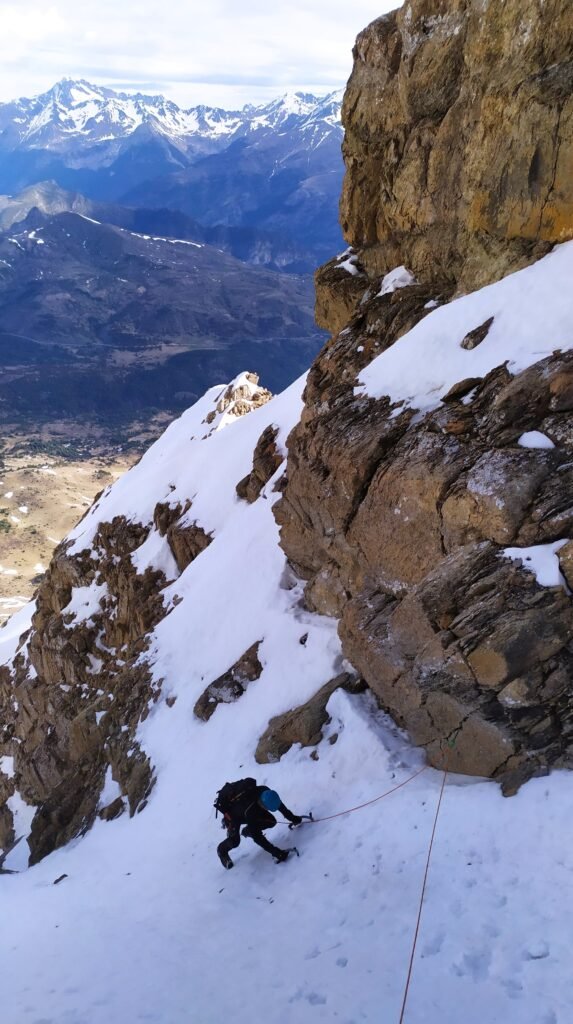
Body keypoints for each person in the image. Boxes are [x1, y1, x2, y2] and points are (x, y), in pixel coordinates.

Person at [215, 778, 303, 869]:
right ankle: (221, 851)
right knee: (235, 841)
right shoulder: (250, 811)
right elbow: (257, 837)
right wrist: (276, 852)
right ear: (262, 804)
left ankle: (248, 830)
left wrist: (294, 818)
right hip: (234, 816)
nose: (267, 809)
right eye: (266, 808)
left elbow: (280, 806)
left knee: (271, 821)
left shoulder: (266, 792)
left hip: (251, 808)